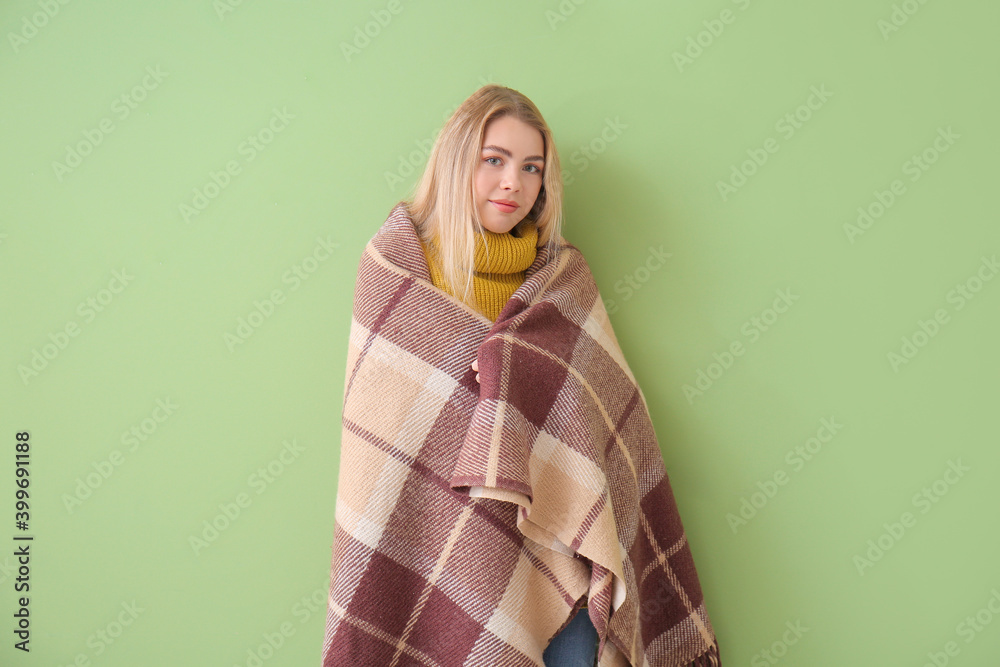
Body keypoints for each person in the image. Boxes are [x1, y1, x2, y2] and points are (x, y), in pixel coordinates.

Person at [406, 84, 599, 665]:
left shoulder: (562, 282)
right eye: (494, 160)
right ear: (457, 160)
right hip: (437, 549)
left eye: (531, 167)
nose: (513, 182)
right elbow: (389, 437)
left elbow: (590, 420)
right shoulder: (400, 274)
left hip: (555, 557)